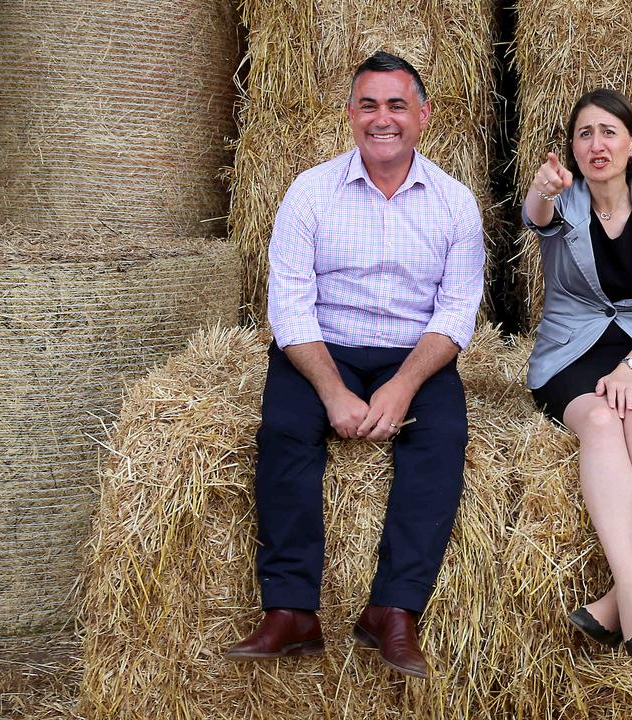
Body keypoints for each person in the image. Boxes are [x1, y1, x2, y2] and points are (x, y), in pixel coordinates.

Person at [224, 51, 485, 679]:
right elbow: (288, 304)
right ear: (350, 115)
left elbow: (455, 313)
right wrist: (334, 392)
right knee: (285, 431)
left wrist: (402, 386)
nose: (382, 118)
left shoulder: (454, 203)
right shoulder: (310, 191)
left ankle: (393, 611)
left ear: (423, 115)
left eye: (397, 105)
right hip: (323, 347)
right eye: (368, 105)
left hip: (412, 352)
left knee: (442, 440)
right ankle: (292, 613)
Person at [522, 88, 632, 658]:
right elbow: (535, 218)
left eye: (609, 131)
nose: (597, 144)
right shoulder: (562, 201)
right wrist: (540, 192)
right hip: (572, 350)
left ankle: (619, 601)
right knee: (599, 421)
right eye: (584, 134)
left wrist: (631, 367)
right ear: (571, 148)